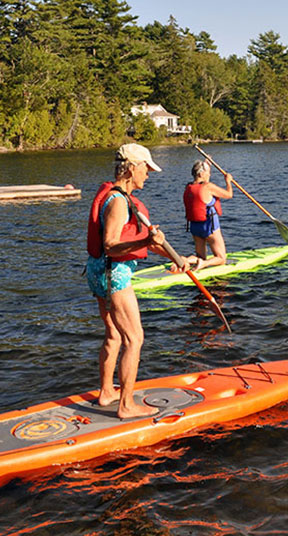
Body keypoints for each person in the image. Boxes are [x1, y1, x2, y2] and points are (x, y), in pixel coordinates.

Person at [85, 143, 186, 419]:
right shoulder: (118, 201)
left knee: (115, 334)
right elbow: (111, 245)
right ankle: (126, 405)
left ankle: (107, 392)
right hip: (113, 274)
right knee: (135, 338)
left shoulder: (117, 196)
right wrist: (145, 240)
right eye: (145, 168)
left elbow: (138, 243)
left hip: (97, 271)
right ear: (131, 169)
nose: (148, 175)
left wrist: (177, 258)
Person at [182, 160, 234, 270]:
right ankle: (203, 264)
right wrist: (228, 181)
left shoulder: (188, 186)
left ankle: (186, 260)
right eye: (208, 172)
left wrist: (205, 164)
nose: (209, 174)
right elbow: (229, 194)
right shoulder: (208, 187)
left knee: (200, 256)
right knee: (221, 258)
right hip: (210, 227)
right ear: (201, 174)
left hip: (195, 227)